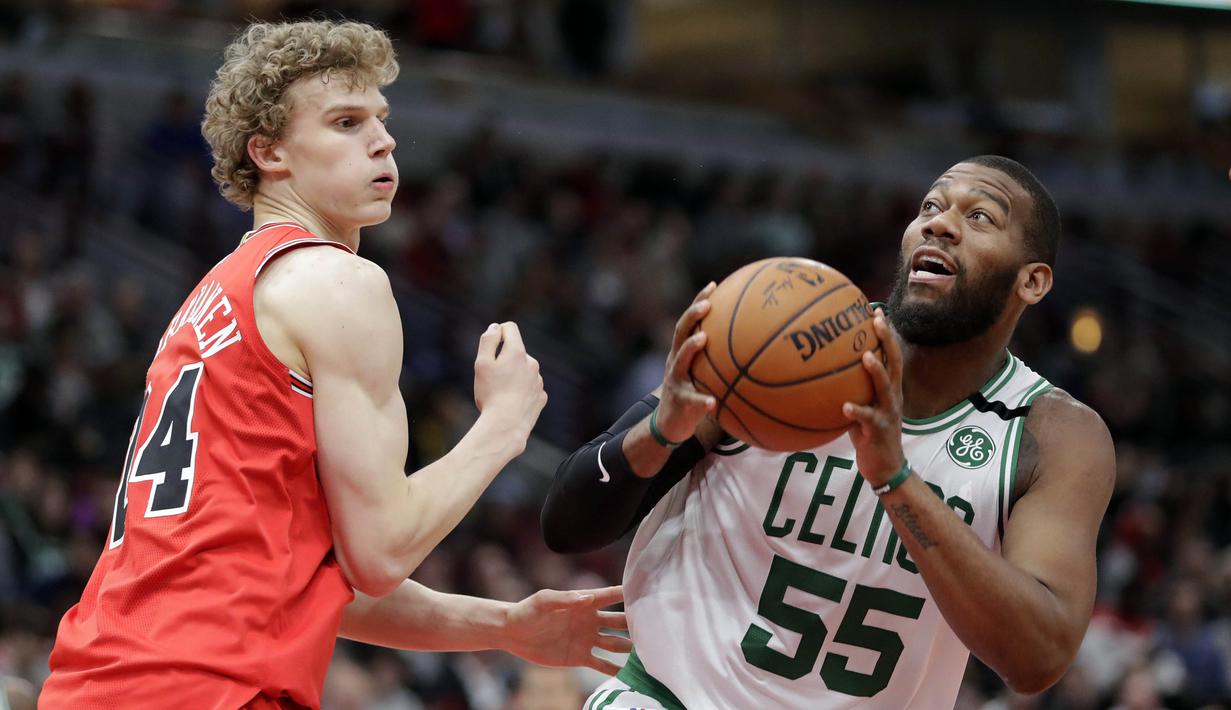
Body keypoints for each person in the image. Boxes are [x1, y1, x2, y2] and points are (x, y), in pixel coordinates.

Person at [40, 20, 628, 709]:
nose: (383, 140)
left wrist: (503, 626)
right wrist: (503, 424)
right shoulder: (336, 282)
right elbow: (381, 553)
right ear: (269, 153)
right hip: (208, 689)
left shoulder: (214, 297)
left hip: (103, 683)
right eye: (346, 122)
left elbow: (313, 582)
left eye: (381, 119)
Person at [543, 156, 1116, 708]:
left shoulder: (1053, 435)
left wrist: (895, 479)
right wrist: (660, 431)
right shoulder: (783, 344)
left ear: (1033, 281)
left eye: (980, 217)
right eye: (931, 207)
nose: (939, 223)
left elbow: (1038, 659)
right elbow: (566, 524)